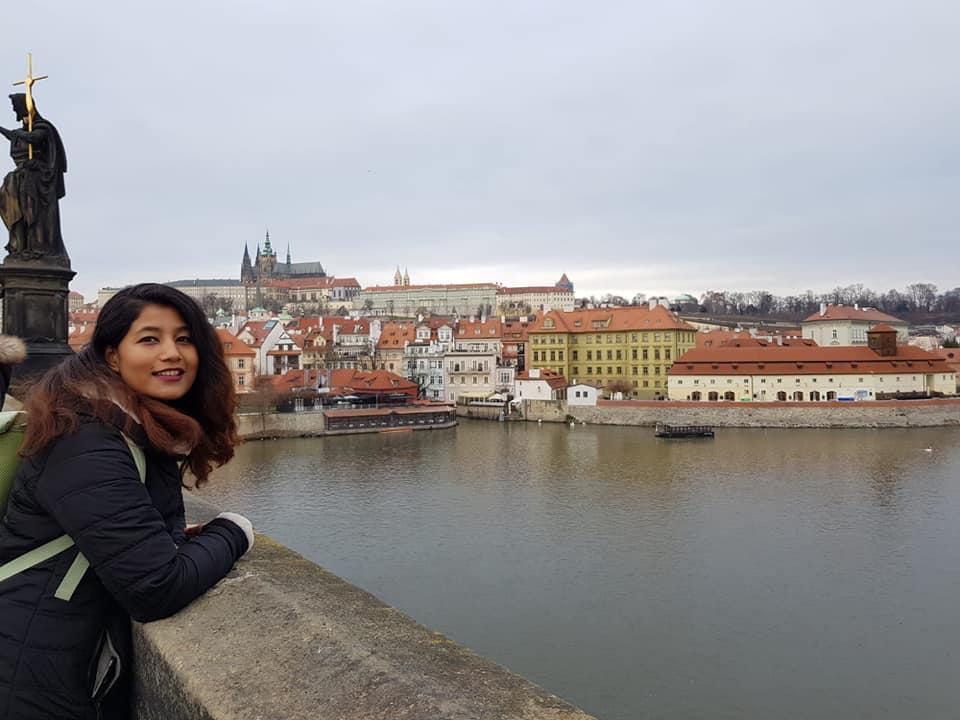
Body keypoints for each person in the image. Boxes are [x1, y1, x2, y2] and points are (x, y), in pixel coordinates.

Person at [0, 283, 254, 719]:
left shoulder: (116, 422)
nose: (172, 353)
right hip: (28, 678)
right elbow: (156, 587)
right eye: (150, 339)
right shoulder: (84, 438)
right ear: (112, 355)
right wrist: (234, 532)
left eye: (185, 338)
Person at [0, 93, 69, 263]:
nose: (14, 111)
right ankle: (20, 243)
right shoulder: (25, 129)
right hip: (21, 178)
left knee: (33, 211)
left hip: (38, 182)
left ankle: (37, 247)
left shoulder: (42, 127)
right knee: (7, 199)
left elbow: (34, 138)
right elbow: (16, 136)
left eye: (16, 107)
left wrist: (17, 133)